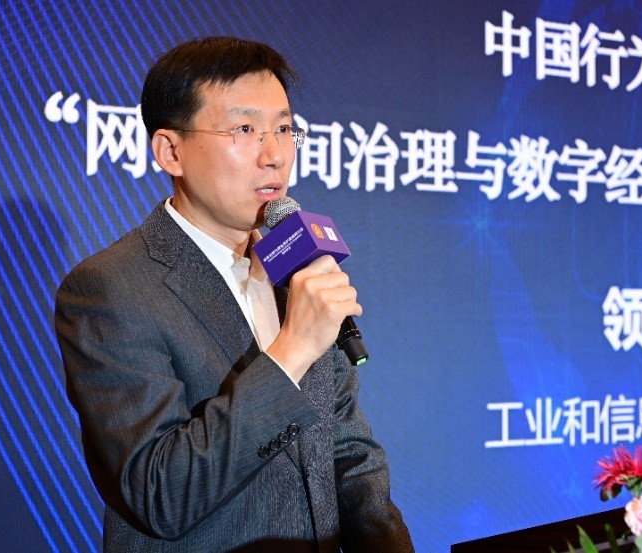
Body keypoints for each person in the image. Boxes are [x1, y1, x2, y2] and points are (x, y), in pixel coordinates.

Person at [54, 36, 414, 552]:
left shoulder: (294, 268)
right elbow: (160, 494)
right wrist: (293, 350)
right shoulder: (109, 289)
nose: (274, 156)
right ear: (171, 151)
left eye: (284, 129)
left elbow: (351, 459)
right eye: (244, 130)